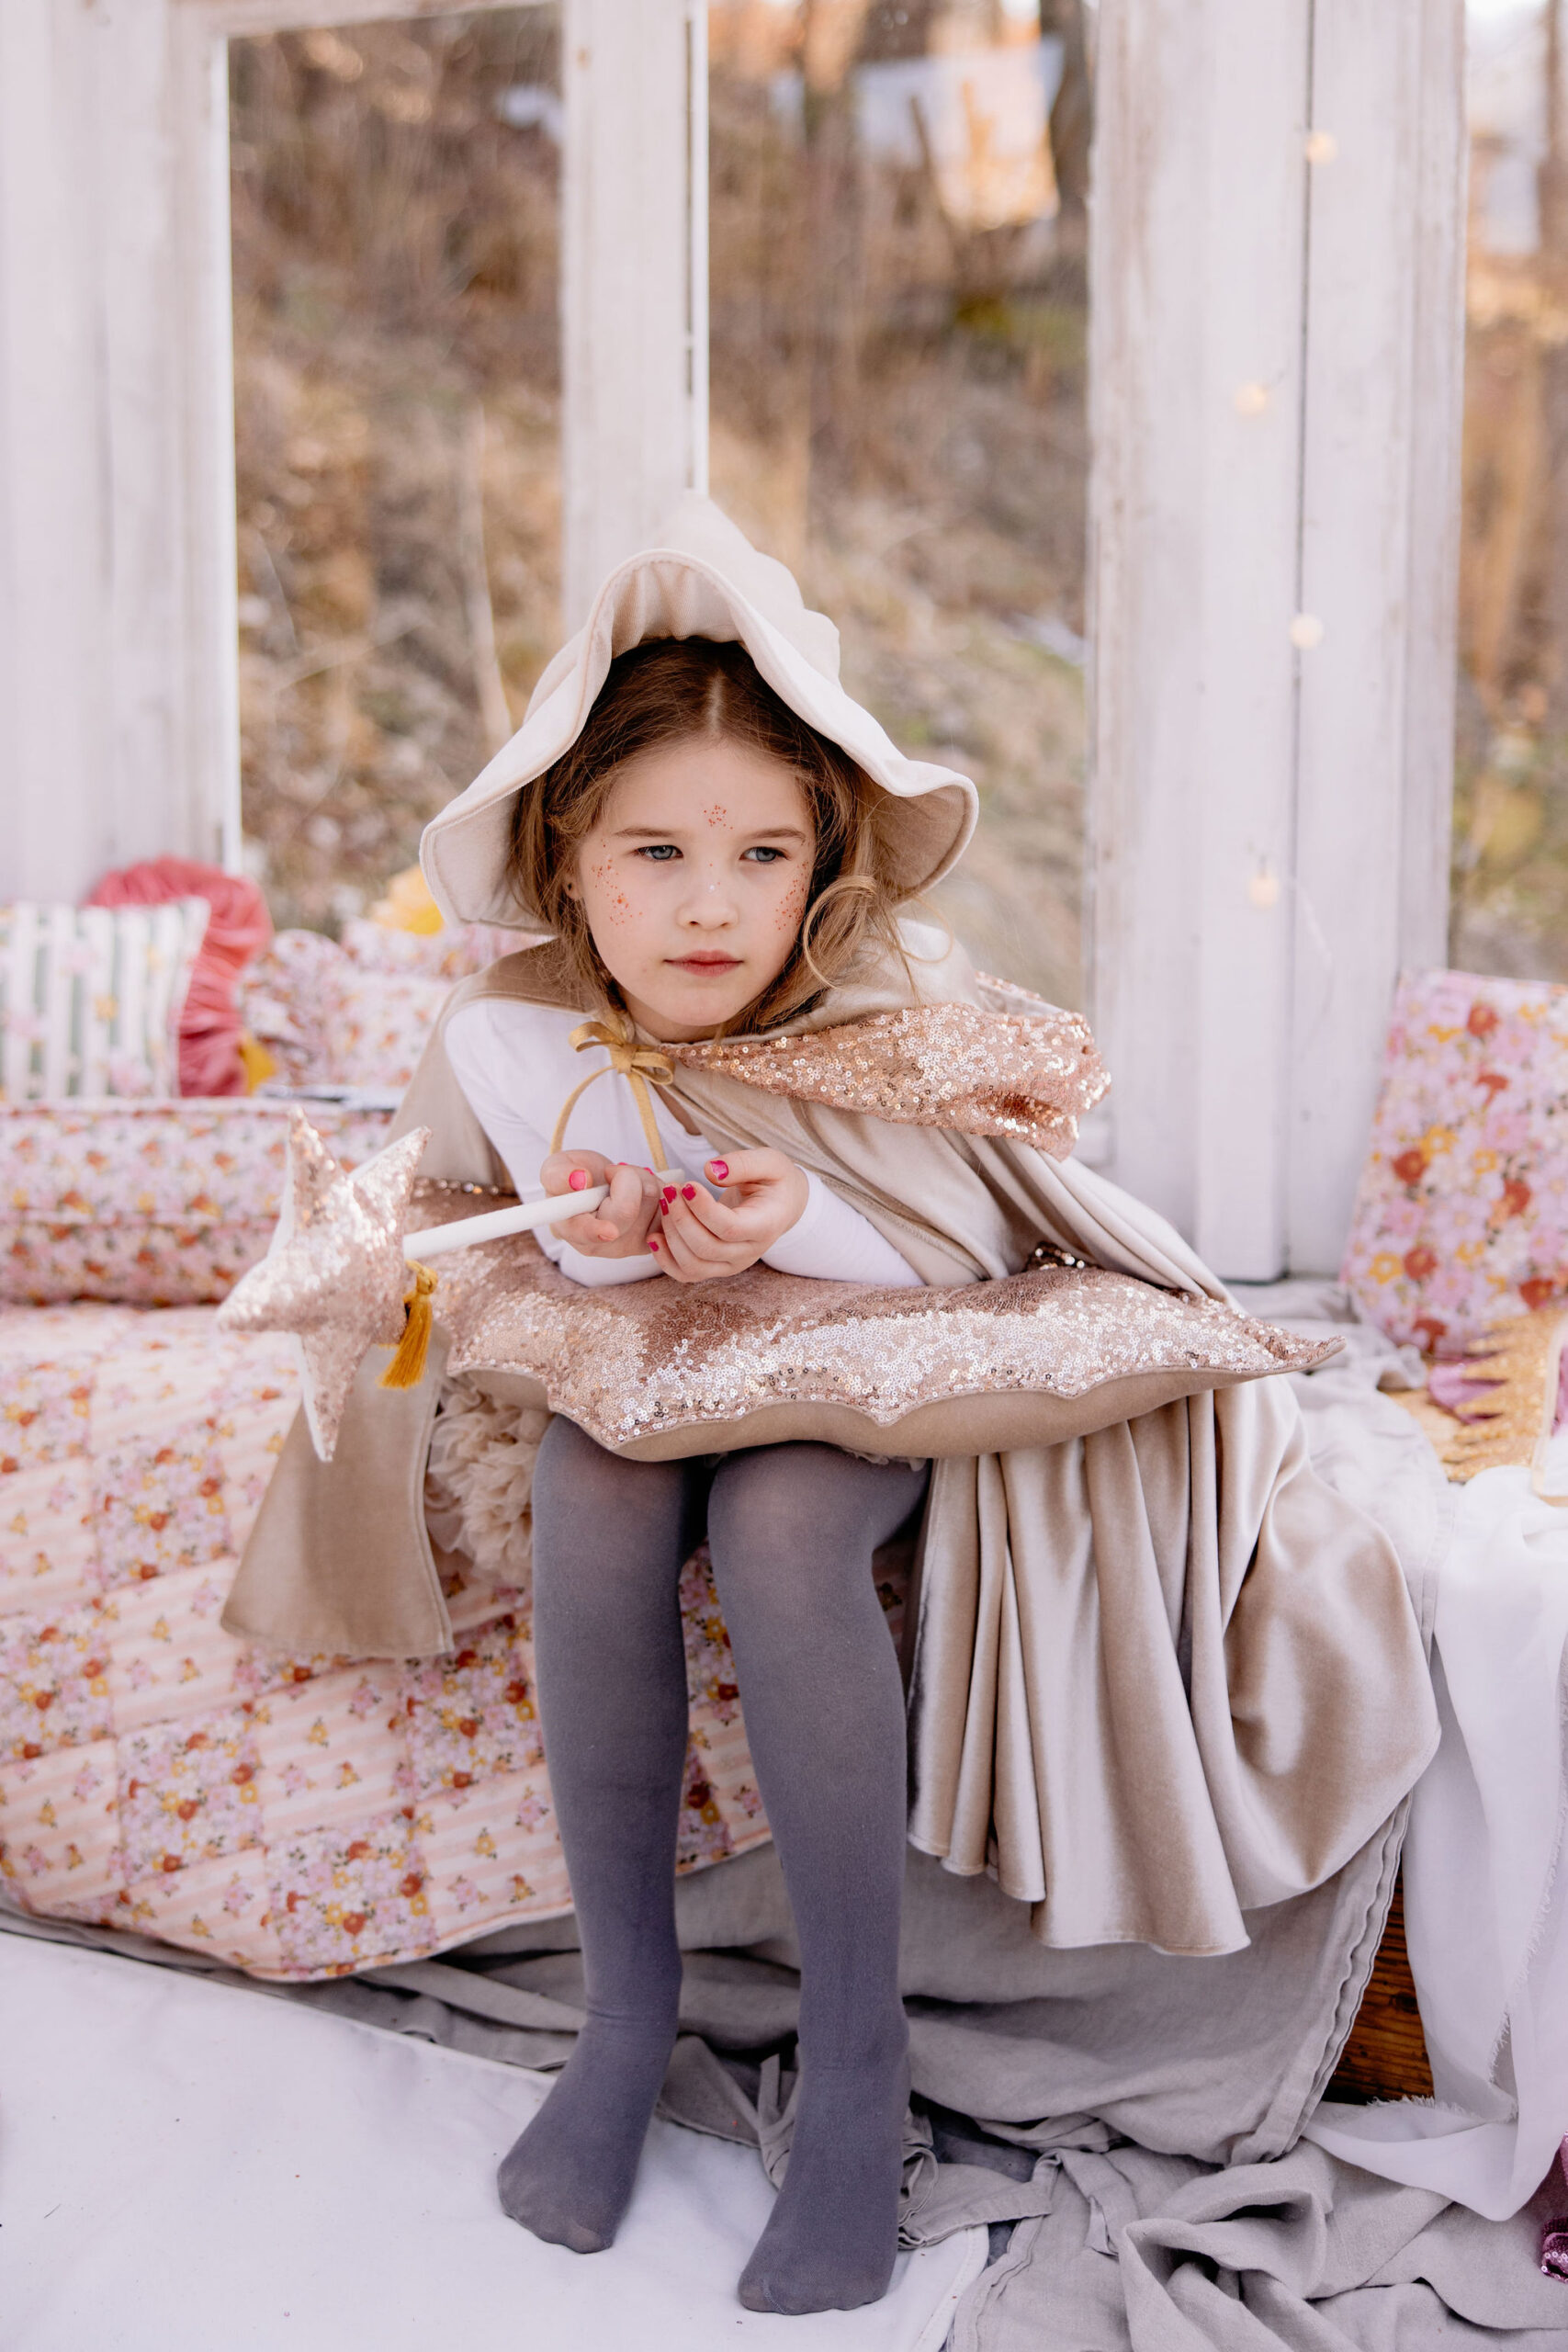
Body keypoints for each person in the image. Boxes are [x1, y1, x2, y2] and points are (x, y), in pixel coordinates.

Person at [225, 496, 1437, 2317]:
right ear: (569, 863)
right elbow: (449, 1243)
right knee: (599, 1488)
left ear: (819, 866)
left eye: (758, 854)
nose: (707, 903)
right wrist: (594, 1228)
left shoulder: (872, 1007)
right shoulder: (508, 1033)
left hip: (875, 1379)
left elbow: (978, 1234)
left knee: (786, 1527)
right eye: (655, 852)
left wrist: (803, 1213)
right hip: (646, 1378)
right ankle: (628, 2021)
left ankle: (857, 2078)